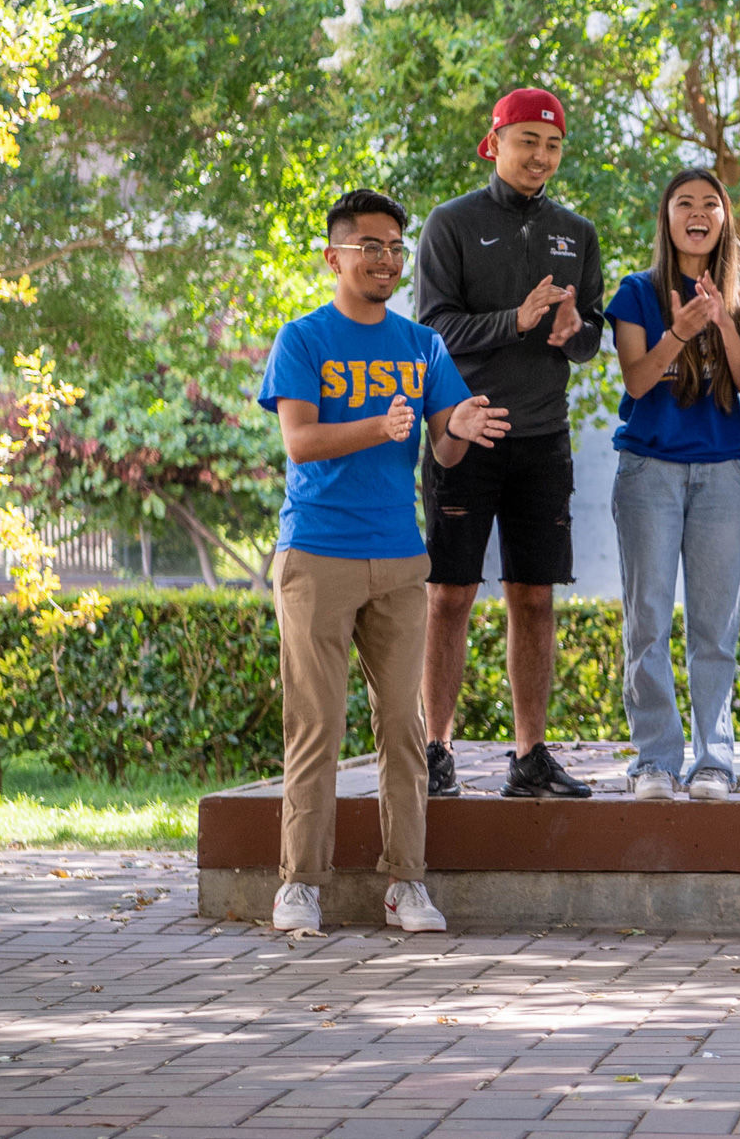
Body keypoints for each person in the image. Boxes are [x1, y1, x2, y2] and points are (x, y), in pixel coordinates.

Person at [260, 189, 510, 934]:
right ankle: (300, 883)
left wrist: (459, 424)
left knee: (404, 725)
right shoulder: (302, 340)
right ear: (333, 255)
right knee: (317, 725)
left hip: (400, 561)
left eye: (397, 247)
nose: (387, 259)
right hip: (317, 555)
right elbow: (299, 442)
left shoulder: (422, 345)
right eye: (370, 246)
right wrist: (376, 425)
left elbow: (444, 444)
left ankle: (407, 883)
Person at [414, 87, 604, 801]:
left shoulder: (575, 231)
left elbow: (589, 335)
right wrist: (515, 321)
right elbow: (433, 330)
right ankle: (435, 749)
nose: (541, 156)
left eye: (553, 144)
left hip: (542, 438)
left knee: (534, 597)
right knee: (449, 596)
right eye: (528, 141)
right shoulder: (451, 224)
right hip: (464, 428)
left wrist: (570, 332)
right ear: (494, 144)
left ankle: (530, 757)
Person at [604, 169, 740, 803]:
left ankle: (714, 761)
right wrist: (680, 330)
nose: (697, 212)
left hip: (722, 470)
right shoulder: (637, 292)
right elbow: (638, 381)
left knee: (715, 626)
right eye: (684, 203)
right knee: (646, 621)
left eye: (710, 204)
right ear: (666, 218)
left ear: (723, 219)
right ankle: (655, 761)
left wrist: (721, 322)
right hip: (649, 470)